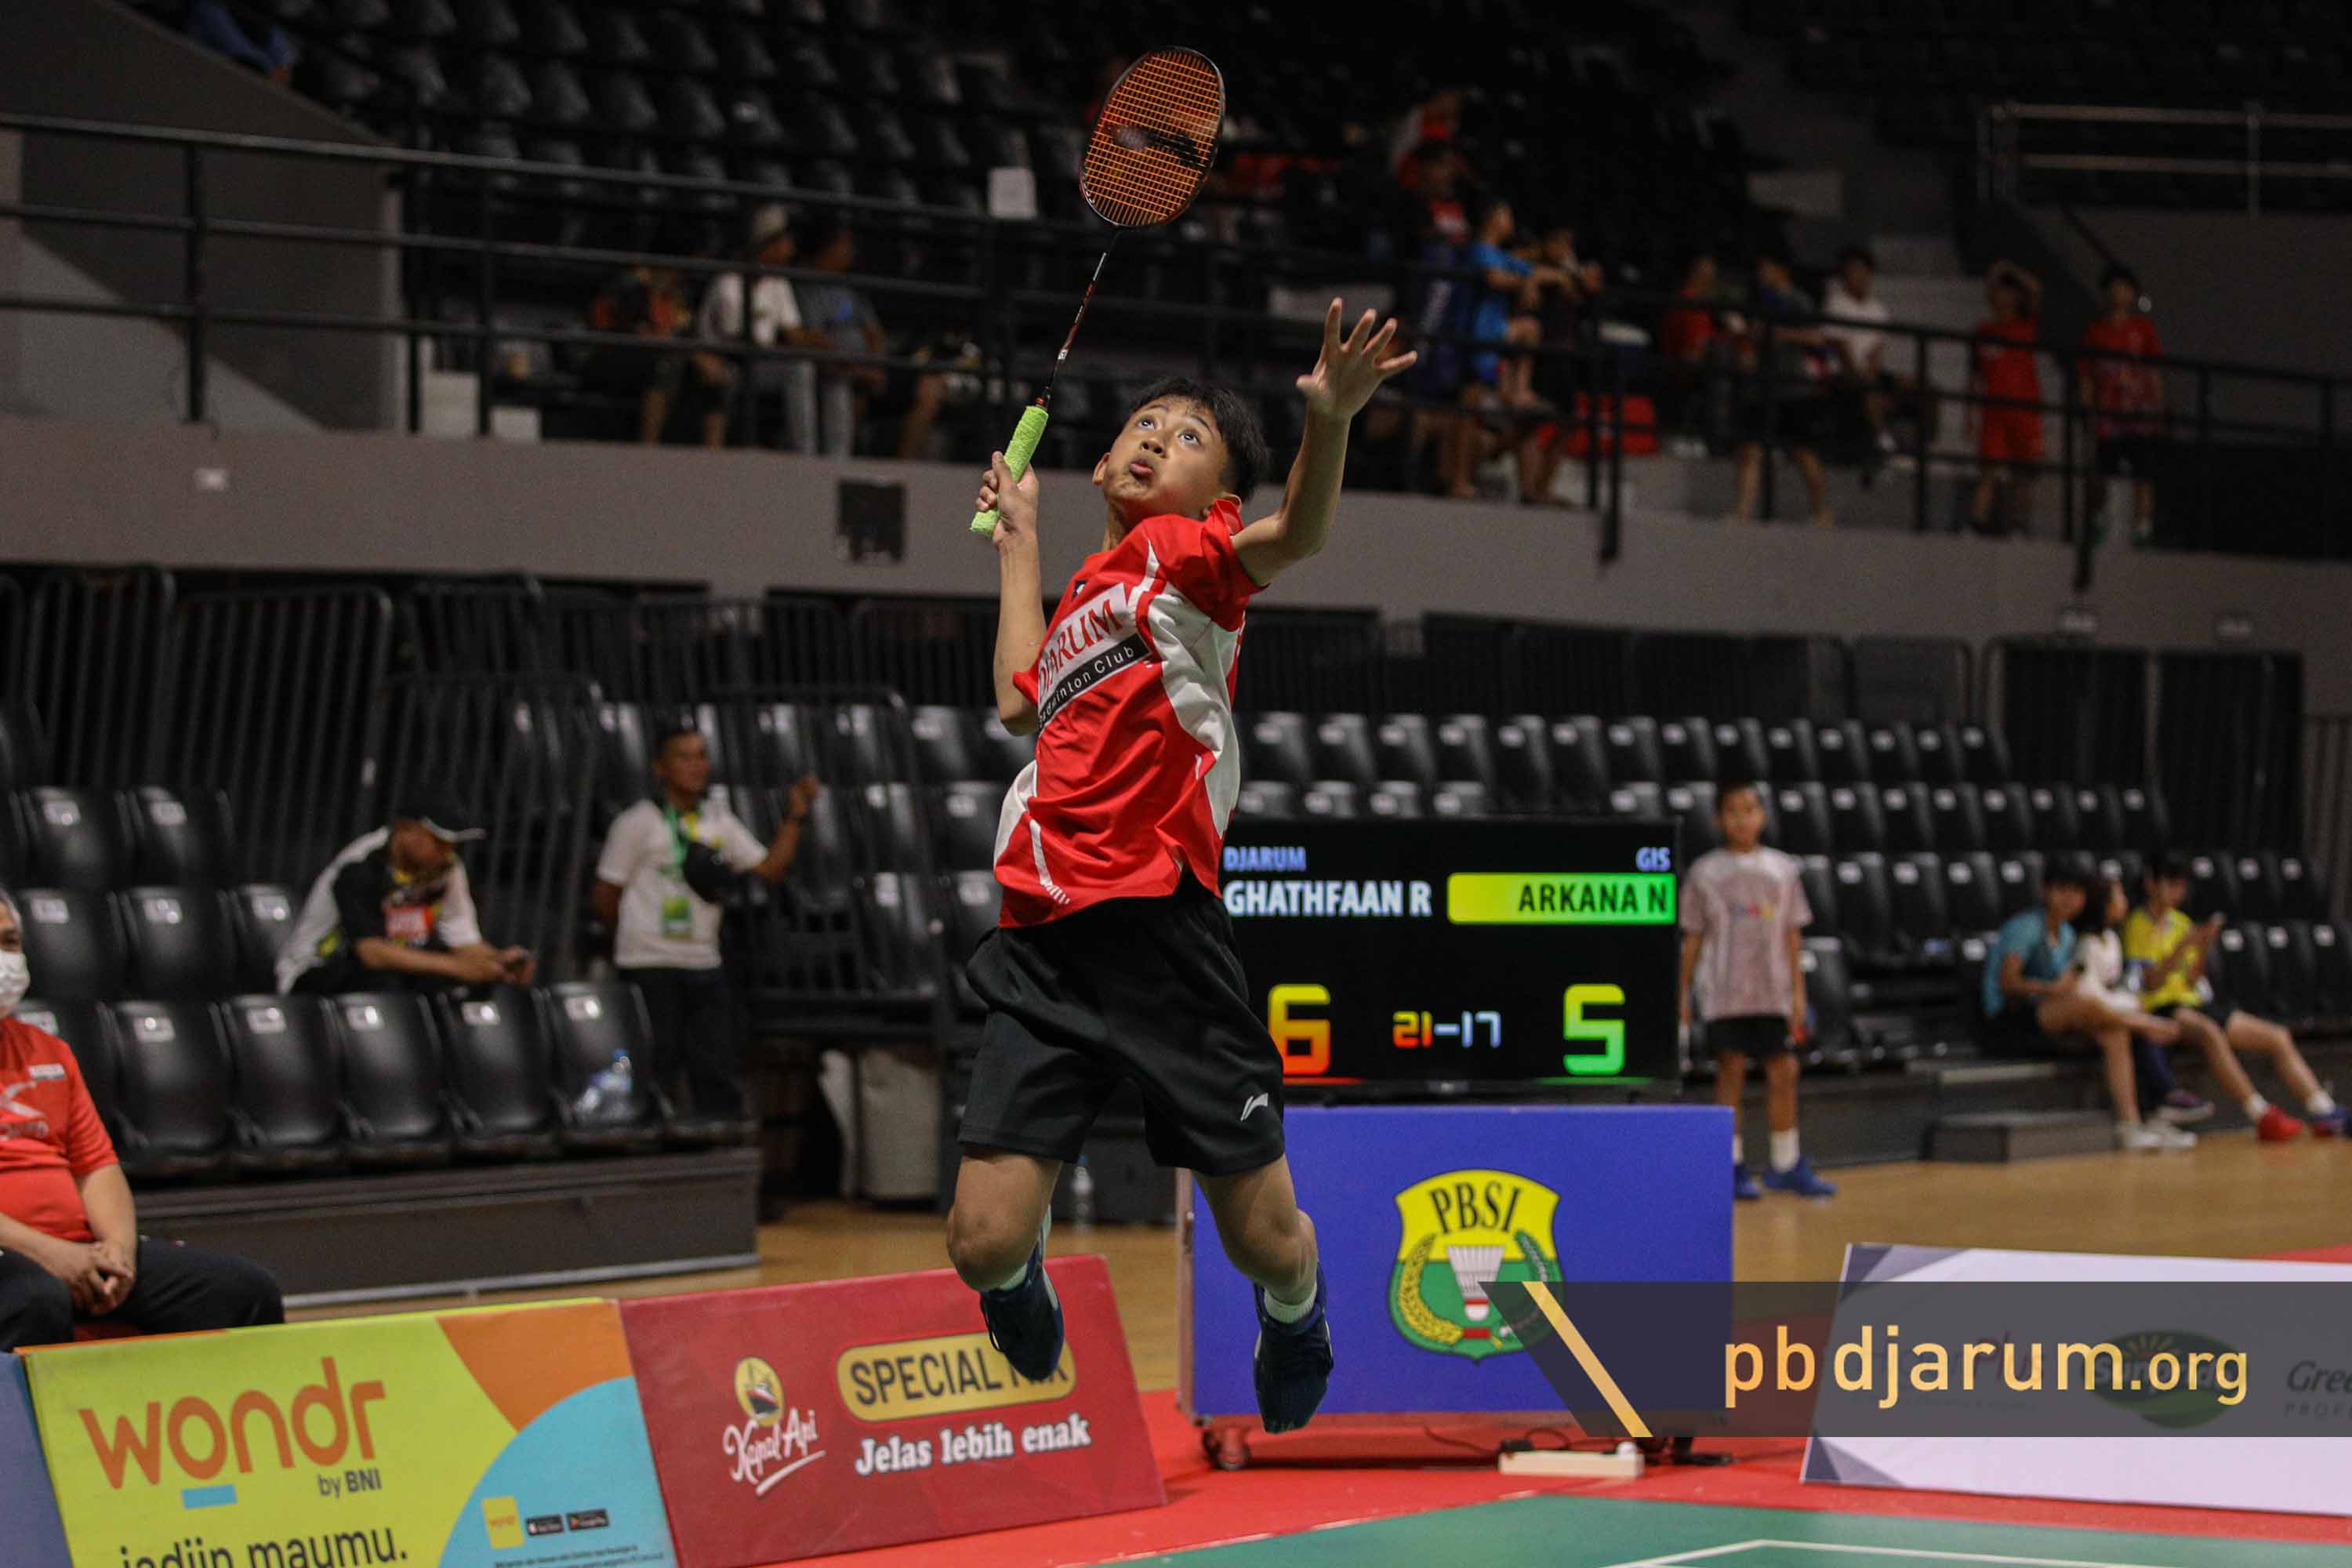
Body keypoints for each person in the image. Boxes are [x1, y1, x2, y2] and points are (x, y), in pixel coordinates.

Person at [952, 303, 1417, 1436]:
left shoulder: (1189, 562)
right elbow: (1016, 700)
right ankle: (1019, 1283)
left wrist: (1330, 422)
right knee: (981, 1242)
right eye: (1144, 426)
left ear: (1218, 495)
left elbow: (1296, 535)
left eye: (1189, 436)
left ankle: (1296, 1308)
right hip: (1045, 935)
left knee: (1263, 1238)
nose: (1157, 438)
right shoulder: (1087, 594)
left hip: (1164, 931)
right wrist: (1019, 541)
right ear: (1102, 461)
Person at [0, 893, 284, 1349]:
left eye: (10, 942)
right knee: (36, 1300)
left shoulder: (48, 1051)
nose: (5, 960)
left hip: (76, 1245)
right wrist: (52, 1254)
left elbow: (96, 1166)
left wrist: (119, 1251)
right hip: (21, 1258)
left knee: (245, 1291)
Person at [593, 720, 819, 1123]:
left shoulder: (718, 819)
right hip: (649, 962)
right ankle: (651, 1145)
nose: (697, 765)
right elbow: (606, 894)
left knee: (715, 1066)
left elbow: (769, 870)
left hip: (703, 961)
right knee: (656, 1063)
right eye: (684, 757)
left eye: (701, 756)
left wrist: (795, 818)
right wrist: (629, 938)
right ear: (660, 768)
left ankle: (721, 1144)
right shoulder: (637, 822)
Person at [1679, 780, 1834, 1200]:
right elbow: (1693, 936)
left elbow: (1792, 935)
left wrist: (1798, 993)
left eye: (1749, 810)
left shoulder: (1782, 869)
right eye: (1732, 811)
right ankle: (1729, 1165)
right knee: (1730, 1070)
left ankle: (1785, 1163)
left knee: (1784, 1070)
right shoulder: (1705, 872)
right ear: (1718, 819)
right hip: (1725, 992)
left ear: (1762, 816)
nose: (1741, 820)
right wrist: (1683, 990)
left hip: (1771, 990)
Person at [2125, 855, 2345, 1140]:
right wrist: (2182, 947)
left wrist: (2203, 946)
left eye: (2181, 885)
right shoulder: (2137, 924)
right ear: (2151, 884)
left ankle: (2322, 1108)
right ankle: (2260, 1113)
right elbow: (2151, 983)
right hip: (2162, 1007)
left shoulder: (2181, 922)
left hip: (2195, 1002)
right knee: (2210, 1032)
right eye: (2171, 883)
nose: (2177, 892)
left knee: (2276, 1036)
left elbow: (2192, 978)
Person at [1983, 858, 2179, 1150]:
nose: (2069, 899)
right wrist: (2051, 988)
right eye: (2062, 890)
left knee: (2114, 1033)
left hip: (2051, 1012)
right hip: (2007, 1018)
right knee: (2084, 1003)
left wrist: (2063, 987)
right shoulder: (2026, 927)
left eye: (2076, 892)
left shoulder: (2067, 934)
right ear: (2045, 890)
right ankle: (2144, 1024)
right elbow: (2008, 983)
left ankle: (2130, 1125)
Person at [278, 792, 535, 995]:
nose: (447, 851)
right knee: (384, 981)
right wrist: (460, 967)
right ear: (405, 829)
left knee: (466, 986)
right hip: (319, 970)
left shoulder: (447, 868)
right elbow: (371, 953)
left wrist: (498, 961)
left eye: (452, 844)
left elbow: (463, 939)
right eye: (438, 841)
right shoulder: (361, 864)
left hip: (394, 969)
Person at [2072, 875, 2202, 1131]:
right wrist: (2137, 1014)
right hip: (2093, 1015)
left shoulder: (2111, 939)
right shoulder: (2087, 944)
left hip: (2112, 1007)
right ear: (2103, 904)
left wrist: (2133, 1002)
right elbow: (2089, 995)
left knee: (2151, 1035)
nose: (2125, 902)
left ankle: (2157, 1115)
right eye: (2118, 896)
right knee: (2143, 1032)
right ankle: (2163, 1100)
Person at [697, 204, 823, 452]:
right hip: (727, 361)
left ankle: (804, 452)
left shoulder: (777, 282)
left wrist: (821, 342)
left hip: (760, 363)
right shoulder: (729, 281)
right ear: (768, 244)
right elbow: (735, 338)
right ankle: (718, 451)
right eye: (785, 241)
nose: (791, 248)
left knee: (803, 368)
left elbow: (793, 333)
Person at [1730, 254, 1834, 527]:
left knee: (1802, 452)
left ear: (1781, 270)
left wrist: (1782, 334)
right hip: (1763, 386)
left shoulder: (1798, 301)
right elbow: (1754, 337)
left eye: (1766, 268)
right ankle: (1743, 512)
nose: (1761, 274)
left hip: (1792, 387)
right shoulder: (1761, 302)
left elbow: (1818, 338)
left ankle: (1821, 511)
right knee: (1751, 448)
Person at [2078, 264, 2167, 546]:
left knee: (2144, 472)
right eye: (2114, 287)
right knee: (2101, 471)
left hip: (2139, 415)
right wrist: (2089, 408)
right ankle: (2098, 519)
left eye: (2125, 288)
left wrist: (2159, 407)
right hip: (2108, 415)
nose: (2119, 293)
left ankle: (2143, 527)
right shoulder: (2095, 332)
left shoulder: (2143, 329)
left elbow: (2154, 371)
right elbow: (2086, 374)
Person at [584, 263, 720, 446]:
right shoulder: (634, 290)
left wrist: (700, 357)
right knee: (665, 367)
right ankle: (649, 447)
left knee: (716, 374)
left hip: (673, 357)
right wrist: (692, 354)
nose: (673, 277)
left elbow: (689, 334)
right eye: (667, 269)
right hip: (626, 355)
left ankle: (713, 451)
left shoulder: (680, 298)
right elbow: (641, 334)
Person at [1969, 260, 2045, 536]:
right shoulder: (1982, 332)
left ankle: (2019, 527)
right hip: (1993, 413)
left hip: (2025, 410)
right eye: (2000, 290)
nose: (2004, 296)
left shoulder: (2026, 325)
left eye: (2009, 291)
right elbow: (1975, 375)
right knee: (1988, 470)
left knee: (2023, 473)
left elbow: (2036, 290)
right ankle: (1976, 524)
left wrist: (2011, 271)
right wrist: (1970, 413)